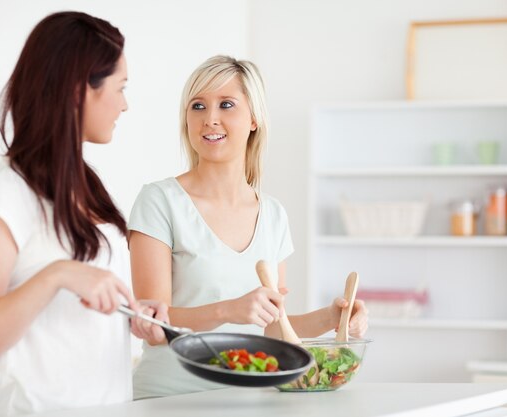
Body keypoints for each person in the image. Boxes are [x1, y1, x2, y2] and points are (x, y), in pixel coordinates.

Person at [0, 11, 168, 416]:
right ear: (78, 90)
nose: (125, 104)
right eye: (120, 88)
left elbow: (75, 320)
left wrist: (131, 314)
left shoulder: (86, 188)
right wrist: (58, 274)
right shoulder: (1, 191)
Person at [128, 55, 369, 399]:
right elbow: (151, 323)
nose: (210, 119)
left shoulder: (273, 215)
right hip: (169, 398)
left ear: (254, 118)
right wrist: (229, 310)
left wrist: (332, 317)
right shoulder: (159, 201)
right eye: (197, 106)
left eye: (226, 105)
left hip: (251, 400)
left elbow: (273, 328)